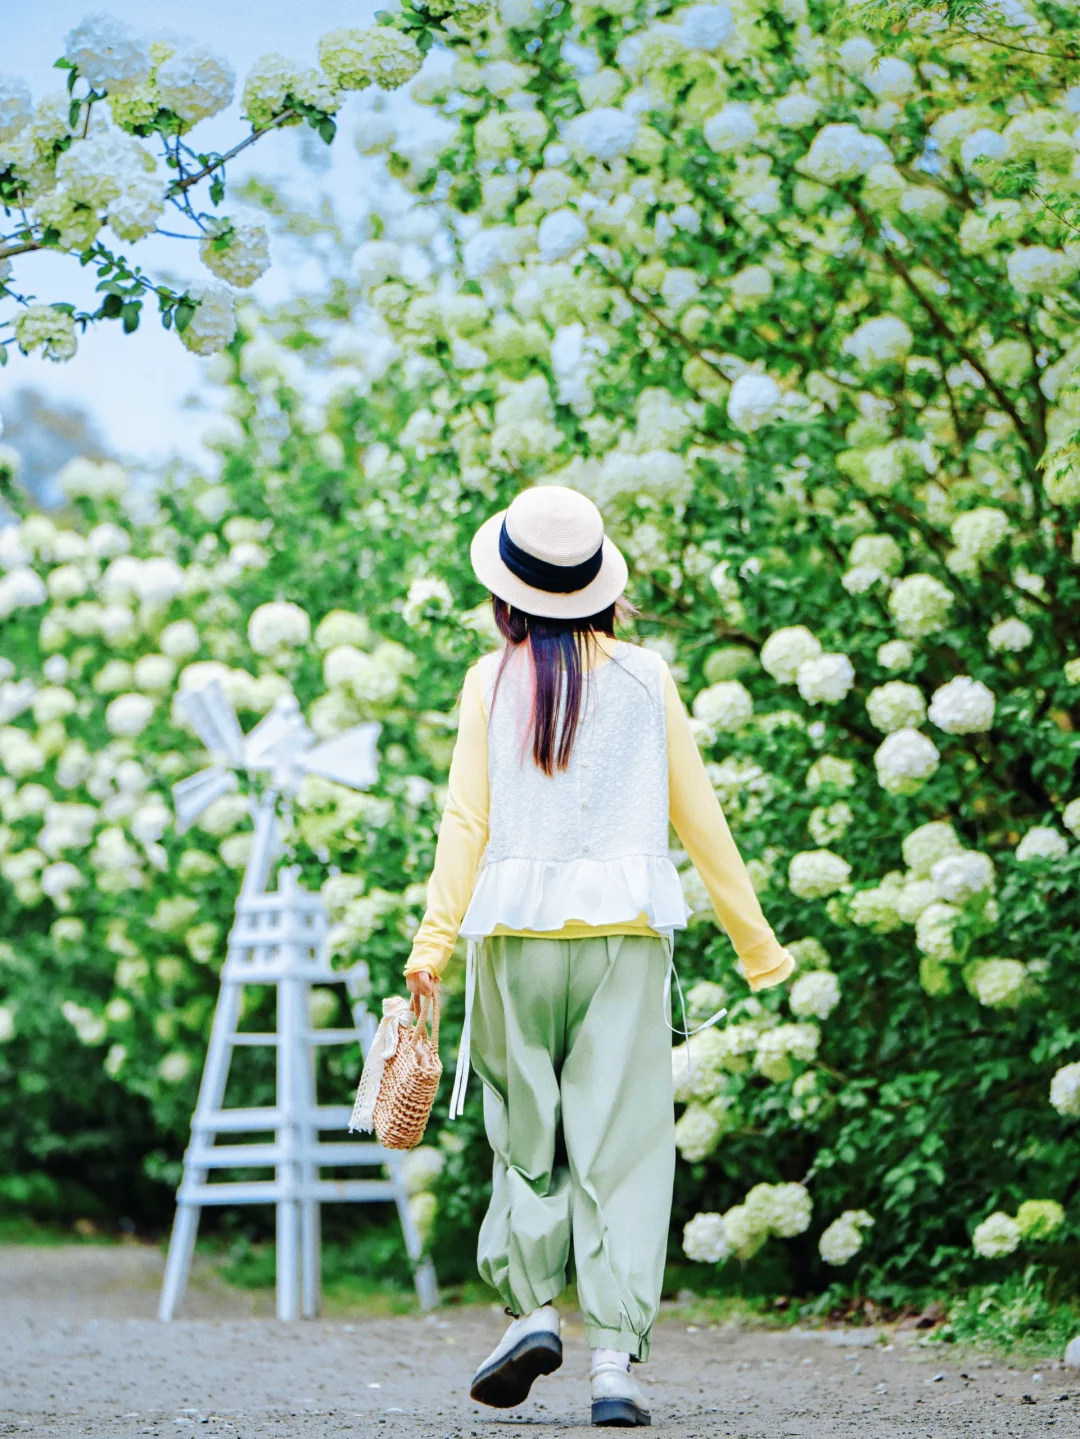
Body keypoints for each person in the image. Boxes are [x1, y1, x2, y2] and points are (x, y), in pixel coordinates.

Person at [403, 484, 793, 1427]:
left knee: (524, 1133)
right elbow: (700, 815)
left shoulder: (488, 681)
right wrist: (756, 943)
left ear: (506, 596)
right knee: (624, 1148)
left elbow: (466, 820)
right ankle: (612, 1365)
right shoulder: (647, 677)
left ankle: (534, 1311)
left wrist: (432, 943)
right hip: (626, 936)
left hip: (514, 938)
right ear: (598, 588)